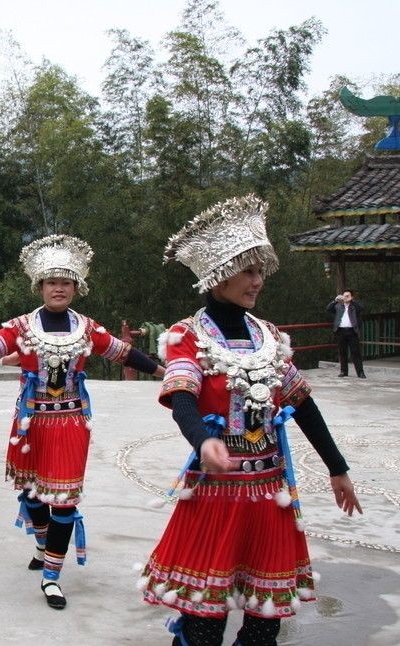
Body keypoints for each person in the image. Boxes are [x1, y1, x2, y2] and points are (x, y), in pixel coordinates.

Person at [138, 195, 362, 646]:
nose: (258, 281)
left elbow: (303, 404)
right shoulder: (187, 336)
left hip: (269, 494)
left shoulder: (271, 337)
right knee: (205, 620)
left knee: (265, 624)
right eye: (248, 270)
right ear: (219, 274)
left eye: (261, 271)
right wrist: (203, 441)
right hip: (215, 494)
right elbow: (182, 396)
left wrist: (338, 469)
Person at [0, 234, 165, 610]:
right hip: (30, 424)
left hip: (70, 424)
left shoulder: (87, 328)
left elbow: (123, 352)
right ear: (40, 287)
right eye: (52, 282)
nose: (59, 288)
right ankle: (42, 543)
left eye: (66, 282)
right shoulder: (20, 326)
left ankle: (52, 575)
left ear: (76, 288)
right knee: (32, 495)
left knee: (63, 501)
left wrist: (165, 371)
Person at [327, 289, 365, 378]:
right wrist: (334, 300)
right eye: (344, 296)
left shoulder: (354, 306)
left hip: (352, 331)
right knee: (342, 352)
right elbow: (328, 309)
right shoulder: (338, 306)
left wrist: (352, 301)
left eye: (348, 296)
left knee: (355, 352)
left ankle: (360, 372)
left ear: (352, 297)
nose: (345, 297)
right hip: (341, 331)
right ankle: (343, 371)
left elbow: (361, 308)